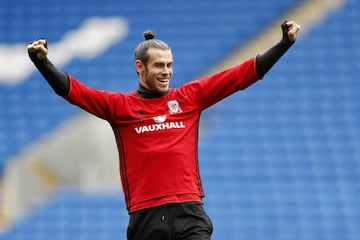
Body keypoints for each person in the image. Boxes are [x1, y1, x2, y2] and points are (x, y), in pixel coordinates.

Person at [27, 21, 301, 240]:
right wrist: (42, 63)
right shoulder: (121, 107)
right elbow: (74, 91)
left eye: (170, 65)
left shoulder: (189, 98)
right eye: (159, 65)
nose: (167, 71)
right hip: (145, 217)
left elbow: (242, 76)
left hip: (188, 211)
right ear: (140, 67)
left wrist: (283, 45)